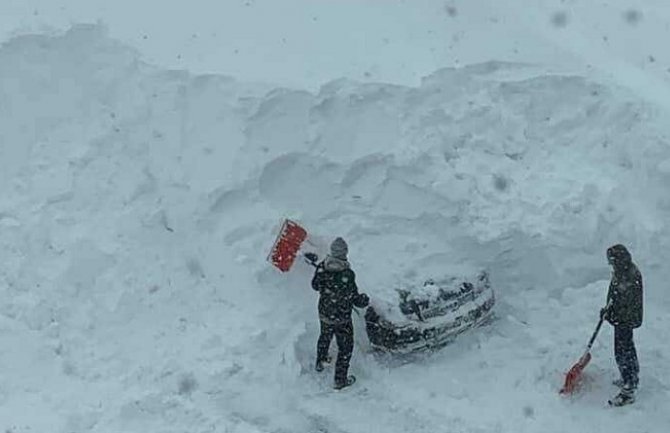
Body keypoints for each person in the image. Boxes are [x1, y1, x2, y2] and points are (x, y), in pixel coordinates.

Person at [311, 237, 369, 389]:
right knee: (345, 348)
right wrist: (363, 300)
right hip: (342, 318)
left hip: (325, 313)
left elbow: (315, 286)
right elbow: (355, 298)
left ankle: (320, 361)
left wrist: (322, 276)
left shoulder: (322, 267)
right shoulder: (347, 274)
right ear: (345, 253)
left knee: (325, 336)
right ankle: (340, 380)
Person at [600, 244, 643, 406]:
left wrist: (611, 316)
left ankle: (628, 390)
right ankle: (632, 378)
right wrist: (607, 309)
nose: (610, 264)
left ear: (619, 260)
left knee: (623, 351)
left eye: (612, 261)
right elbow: (615, 296)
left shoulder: (629, 277)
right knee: (626, 348)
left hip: (625, 320)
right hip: (622, 318)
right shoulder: (622, 271)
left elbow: (626, 305)